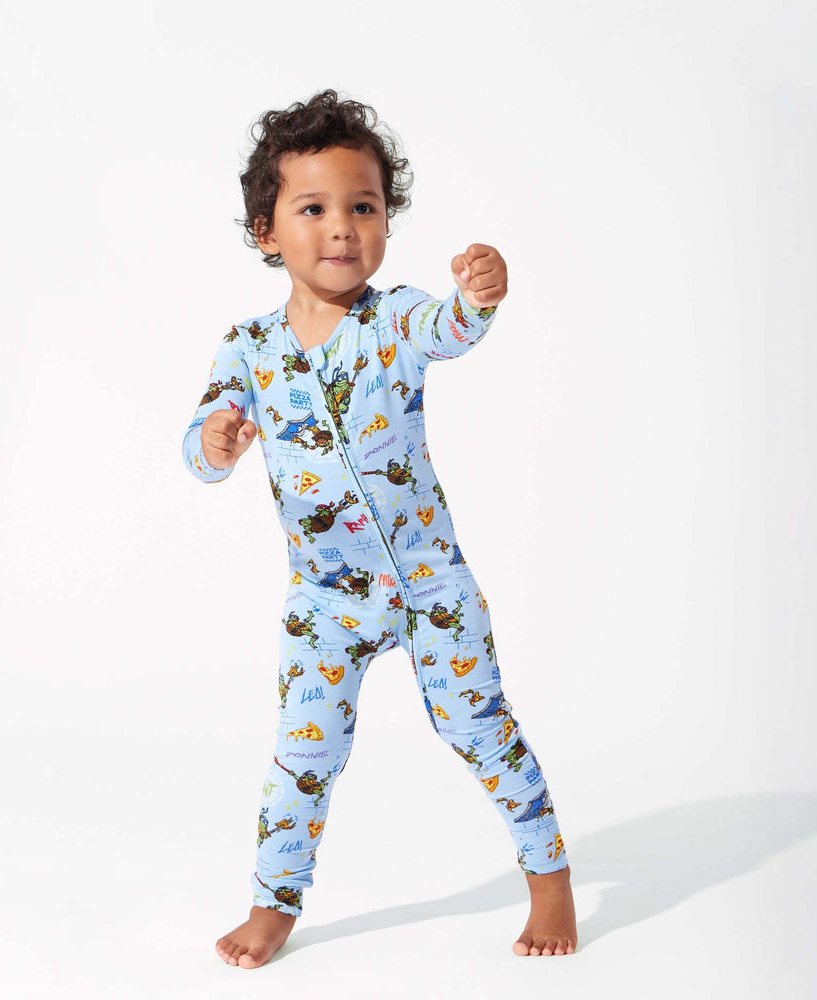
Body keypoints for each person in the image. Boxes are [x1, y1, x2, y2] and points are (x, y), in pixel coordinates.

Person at [183, 90, 577, 967]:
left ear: (387, 222)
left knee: (482, 729)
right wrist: (215, 441)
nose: (342, 227)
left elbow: (452, 328)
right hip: (328, 600)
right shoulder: (249, 348)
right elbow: (201, 448)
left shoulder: (395, 320)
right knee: (303, 753)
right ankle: (273, 902)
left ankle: (549, 877)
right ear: (266, 233)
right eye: (313, 209)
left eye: (363, 207)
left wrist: (480, 294)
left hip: (433, 583)